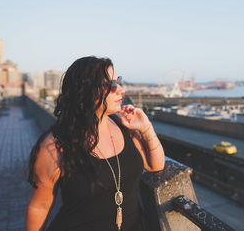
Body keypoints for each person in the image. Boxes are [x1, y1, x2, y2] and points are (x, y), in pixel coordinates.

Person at [26, 56, 165, 231]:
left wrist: (146, 128)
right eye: (112, 85)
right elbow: (39, 206)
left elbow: (156, 165)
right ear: (85, 90)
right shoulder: (55, 146)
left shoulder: (124, 125)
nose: (121, 90)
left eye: (119, 81)